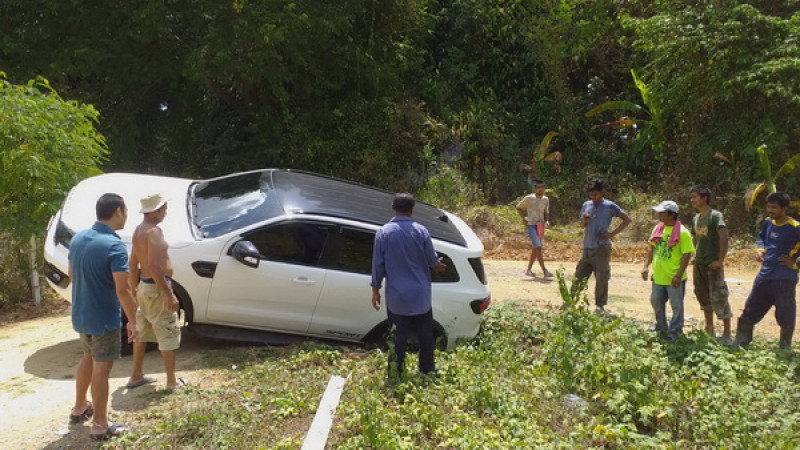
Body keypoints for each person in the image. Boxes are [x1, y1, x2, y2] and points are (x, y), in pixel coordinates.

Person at [68, 193, 138, 441]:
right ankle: (99, 423)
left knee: (87, 356)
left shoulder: (78, 238)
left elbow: (72, 275)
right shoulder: (114, 245)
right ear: (118, 211)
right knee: (102, 368)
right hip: (104, 320)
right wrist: (133, 319)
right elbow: (123, 289)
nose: (127, 216)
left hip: (82, 316)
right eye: (126, 211)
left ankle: (79, 407)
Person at [371, 193, 446, 380]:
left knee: (397, 338)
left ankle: (396, 372)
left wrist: (375, 290)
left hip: (397, 298)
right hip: (420, 296)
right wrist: (438, 264)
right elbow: (431, 259)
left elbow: (377, 264)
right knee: (425, 337)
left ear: (393, 208)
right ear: (412, 210)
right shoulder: (421, 231)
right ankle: (426, 370)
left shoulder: (384, 233)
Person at [126, 194, 185, 390]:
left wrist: (134, 289)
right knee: (167, 330)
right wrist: (168, 293)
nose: (166, 212)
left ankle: (136, 375)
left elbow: (133, 264)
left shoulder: (138, 231)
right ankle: (171, 381)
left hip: (144, 287)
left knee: (142, 332)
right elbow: (153, 265)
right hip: (156, 287)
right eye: (164, 209)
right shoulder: (154, 232)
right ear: (155, 211)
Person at [735, 192, 800, 350]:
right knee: (750, 310)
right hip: (764, 276)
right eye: (768, 206)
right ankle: (740, 345)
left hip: (784, 279)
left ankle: (784, 350)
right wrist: (760, 249)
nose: (770, 210)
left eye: (774, 207)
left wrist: (796, 264)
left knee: (785, 316)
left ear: (784, 209)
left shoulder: (795, 228)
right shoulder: (767, 223)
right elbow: (761, 238)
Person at [571, 179, 631, 312]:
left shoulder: (610, 206)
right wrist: (584, 220)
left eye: (596, 194)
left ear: (601, 192)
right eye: (591, 195)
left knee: (602, 277)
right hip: (588, 246)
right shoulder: (586, 205)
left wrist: (611, 234)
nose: (594, 197)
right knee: (580, 274)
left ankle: (600, 305)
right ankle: (570, 300)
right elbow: (581, 226)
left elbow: (627, 219)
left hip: (602, 247)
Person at [641, 201, 695, 341]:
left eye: (662, 212)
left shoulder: (683, 233)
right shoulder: (658, 229)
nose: (659, 215)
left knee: (676, 305)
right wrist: (646, 266)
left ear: (671, 214)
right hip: (659, 276)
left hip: (674, 277)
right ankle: (661, 326)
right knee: (655, 300)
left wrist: (678, 275)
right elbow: (651, 247)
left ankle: (675, 331)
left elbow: (686, 254)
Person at [689, 185, 734, 343]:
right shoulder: (696, 219)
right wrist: (695, 255)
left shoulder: (715, 216)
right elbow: (696, 239)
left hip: (712, 265)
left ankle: (727, 334)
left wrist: (720, 261)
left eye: (695, 197)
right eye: (692, 197)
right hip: (699, 265)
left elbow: (724, 237)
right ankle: (710, 329)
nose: (692, 200)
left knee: (719, 297)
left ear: (705, 198)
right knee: (703, 296)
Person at [516, 180, 553, 278]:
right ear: (535, 188)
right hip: (531, 225)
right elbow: (519, 207)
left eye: (542, 187)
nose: (540, 189)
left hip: (540, 226)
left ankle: (528, 270)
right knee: (538, 247)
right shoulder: (529, 198)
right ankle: (545, 271)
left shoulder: (546, 199)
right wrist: (523, 219)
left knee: (536, 248)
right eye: (538, 187)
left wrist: (547, 220)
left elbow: (546, 212)